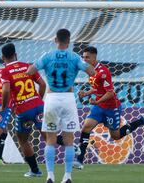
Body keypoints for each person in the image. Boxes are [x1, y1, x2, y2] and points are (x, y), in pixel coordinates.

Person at [26, 29, 95, 183]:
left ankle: (50, 176)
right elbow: (92, 71)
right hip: (68, 99)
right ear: (69, 41)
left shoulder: (47, 56)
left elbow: (30, 71)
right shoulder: (74, 57)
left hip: (51, 99)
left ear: (55, 39)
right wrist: (81, 67)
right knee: (69, 140)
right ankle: (67, 177)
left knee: (50, 140)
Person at [73, 46, 144, 170]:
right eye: (83, 57)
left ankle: (141, 121)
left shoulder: (103, 71)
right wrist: (87, 93)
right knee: (86, 127)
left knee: (115, 136)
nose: (84, 60)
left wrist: (97, 101)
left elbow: (110, 92)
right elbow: (98, 88)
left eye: (87, 57)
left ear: (94, 57)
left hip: (112, 108)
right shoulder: (90, 71)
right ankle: (79, 161)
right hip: (99, 107)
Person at [0, 43, 48, 177]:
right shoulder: (27, 66)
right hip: (38, 106)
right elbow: (42, 84)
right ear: (16, 55)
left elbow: (6, 90)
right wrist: (38, 100)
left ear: (3, 57)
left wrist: (3, 106)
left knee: (23, 140)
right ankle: (72, 150)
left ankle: (35, 170)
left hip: (23, 111)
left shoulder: (4, 71)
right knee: (49, 137)